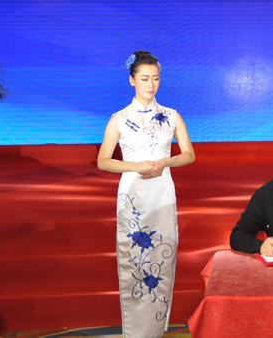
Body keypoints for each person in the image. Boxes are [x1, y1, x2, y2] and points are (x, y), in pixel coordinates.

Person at [97, 51, 195, 338]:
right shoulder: (119, 118)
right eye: (144, 79)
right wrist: (136, 166)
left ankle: (155, 328)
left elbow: (188, 154)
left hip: (162, 195)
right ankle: (135, 332)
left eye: (155, 78)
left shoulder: (172, 116)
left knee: (162, 260)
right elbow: (103, 161)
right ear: (132, 80)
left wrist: (166, 162)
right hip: (133, 197)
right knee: (135, 263)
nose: (150, 84)